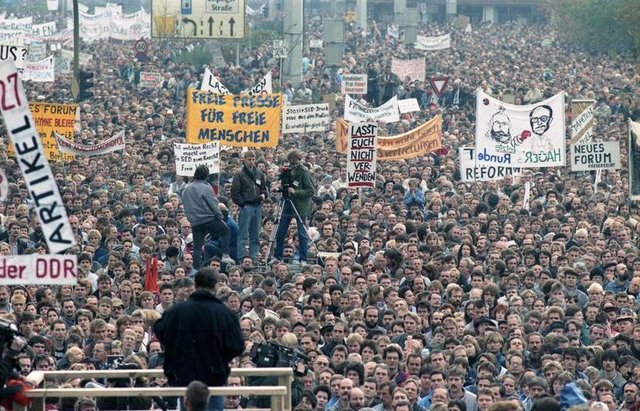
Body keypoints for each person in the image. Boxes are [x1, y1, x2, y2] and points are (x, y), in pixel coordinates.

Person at [154, 268, 244, 411]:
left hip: (184, 376)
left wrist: (176, 349)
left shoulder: (177, 311)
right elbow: (237, 346)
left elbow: (160, 329)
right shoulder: (224, 313)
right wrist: (220, 357)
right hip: (214, 377)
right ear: (215, 286)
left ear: (195, 285)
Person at [181, 164, 234, 268]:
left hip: (195, 222)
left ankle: (196, 268)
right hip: (208, 219)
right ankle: (225, 254)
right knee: (226, 231)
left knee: (197, 247)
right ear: (206, 175)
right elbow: (213, 204)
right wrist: (220, 218)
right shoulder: (206, 187)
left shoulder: (186, 189)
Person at [274, 149, 315, 263]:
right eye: (291, 161)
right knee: (281, 231)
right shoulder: (286, 170)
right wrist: (279, 188)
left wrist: (296, 192)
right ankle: (277, 256)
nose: (293, 163)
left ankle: (303, 258)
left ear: (299, 160)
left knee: (302, 233)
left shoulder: (304, 172)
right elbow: (284, 184)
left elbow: (311, 191)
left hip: (300, 206)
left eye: (295, 160)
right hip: (287, 203)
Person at [231, 150, 268, 263]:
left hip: (257, 206)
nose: (251, 162)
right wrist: (243, 204)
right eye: (249, 159)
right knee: (243, 234)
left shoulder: (260, 174)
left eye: (253, 159)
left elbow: (264, 189)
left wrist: (263, 196)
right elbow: (235, 193)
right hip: (246, 206)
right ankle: (241, 257)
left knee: (255, 234)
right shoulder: (239, 174)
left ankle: (254, 258)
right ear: (244, 159)